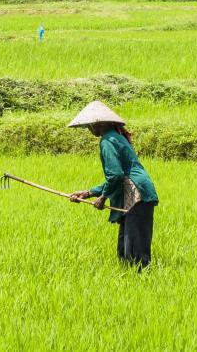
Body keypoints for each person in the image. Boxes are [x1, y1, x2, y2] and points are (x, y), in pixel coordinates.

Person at [66, 101, 159, 269]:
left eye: (90, 125)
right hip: (134, 194)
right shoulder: (115, 137)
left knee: (135, 255)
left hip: (136, 194)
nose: (90, 129)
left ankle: (142, 285)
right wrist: (88, 193)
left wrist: (102, 197)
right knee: (125, 252)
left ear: (99, 124)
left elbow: (115, 175)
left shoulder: (107, 141)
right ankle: (132, 285)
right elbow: (117, 176)